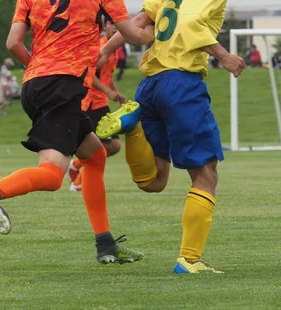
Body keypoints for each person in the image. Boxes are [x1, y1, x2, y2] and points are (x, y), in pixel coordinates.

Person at [0, 0, 154, 264]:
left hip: (37, 83)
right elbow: (134, 36)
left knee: (95, 156)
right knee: (53, 175)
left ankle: (106, 244)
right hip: (62, 85)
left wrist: (41, 68)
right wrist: (160, 31)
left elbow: (13, 44)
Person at [95, 0, 246, 273]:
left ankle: (133, 128)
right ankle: (189, 261)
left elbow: (138, 23)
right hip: (181, 84)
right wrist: (223, 55)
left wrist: (104, 51)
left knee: (154, 181)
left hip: (149, 87)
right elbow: (189, 25)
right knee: (206, 174)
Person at [67, 16, 126, 192]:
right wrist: (108, 92)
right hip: (91, 102)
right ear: (105, 25)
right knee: (111, 145)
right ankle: (78, 180)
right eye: (112, 24)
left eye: (118, 24)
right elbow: (90, 76)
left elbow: (108, 74)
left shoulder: (114, 47)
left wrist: (115, 92)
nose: (115, 28)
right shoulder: (100, 46)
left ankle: (76, 167)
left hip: (101, 102)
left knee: (109, 146)